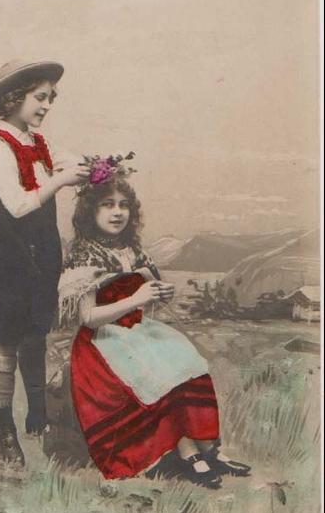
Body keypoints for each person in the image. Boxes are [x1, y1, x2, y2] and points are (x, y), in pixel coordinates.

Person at [59, 173, 251, 488]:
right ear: (90, 212)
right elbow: (89, 317)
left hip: (134, 331)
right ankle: (188, 452)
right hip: (102, 342)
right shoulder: (83, 255)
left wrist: (160, 294)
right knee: (157, 371)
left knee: (184, 361)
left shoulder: (133, 251)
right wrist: (136, 298)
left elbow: (147, 301)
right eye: (108, 205)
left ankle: (208, 448)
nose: (117, 212)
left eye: (123, 205)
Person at [0, 59, 90, 466]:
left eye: (50, 99)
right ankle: (4, 429)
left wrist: (89, 169)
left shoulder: (36, 143)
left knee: (36, 333)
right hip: (10, 258)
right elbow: (20, 204)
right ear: (13, 98)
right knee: (7, 340)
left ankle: (37, 415)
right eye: (39, 97)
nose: (46, 106)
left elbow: (63, 164)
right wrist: (60, 179)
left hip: (42, 255)